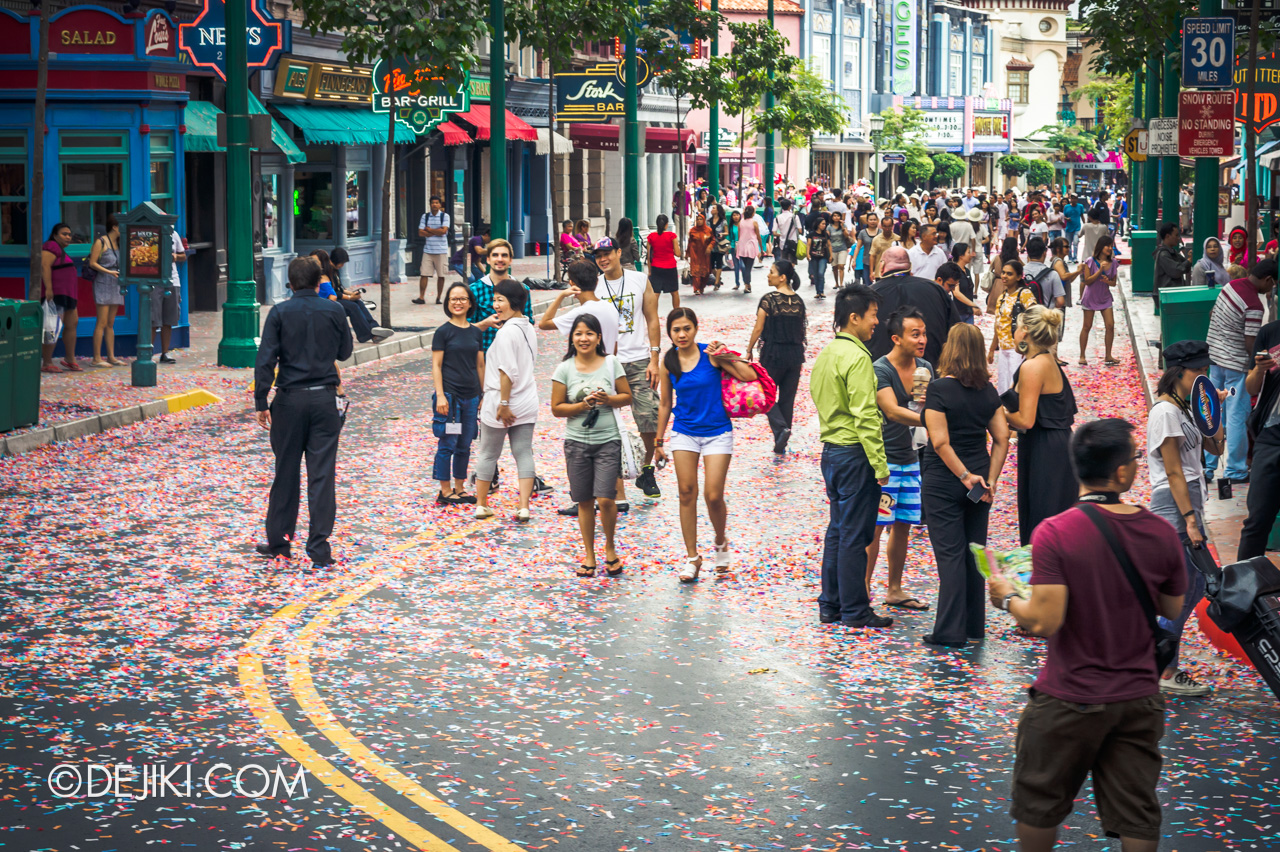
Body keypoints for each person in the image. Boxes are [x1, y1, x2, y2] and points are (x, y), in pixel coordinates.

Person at [987, 419, 1186, 852]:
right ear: (1120, 474)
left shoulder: (1055, 533)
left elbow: (1043, 620)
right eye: (1134, 457)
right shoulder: (1160, 532)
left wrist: (1005, 596)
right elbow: (1171, 610)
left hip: (1069, 696)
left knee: (1039, 800)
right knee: (1137, 810)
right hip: (1137, 696)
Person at [253, 257, 354, 566]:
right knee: (321, 475)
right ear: (316, 282)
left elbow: (266, 360)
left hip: (289, 400)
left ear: (291, 284)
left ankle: (280, 542)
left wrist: (261, 401)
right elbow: (345, 352)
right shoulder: (335, 310)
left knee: (285, 471)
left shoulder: (280, 312)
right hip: (324, 400)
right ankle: (320, 549)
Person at [809, 284, 895, 629]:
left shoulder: (828, 353)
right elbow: (865, 416)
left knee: (838, 532)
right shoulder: (858, 358)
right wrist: (880, 464)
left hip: (831, 453)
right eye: (873, 315)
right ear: (855, 317)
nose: (877, 322)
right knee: (856, 536)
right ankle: (856, 610)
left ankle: (830, 605)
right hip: (855, 455)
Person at [921, 324, 1011, 646]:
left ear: (950, 349)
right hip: (979, 484)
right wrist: (990, 478)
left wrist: (962, 475)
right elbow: (1002, 438)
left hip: (945, 480)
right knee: (974, 554)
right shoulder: (988, 392)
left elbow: (940, 442)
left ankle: (949, 631)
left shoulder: (939, 390)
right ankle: (974, 626)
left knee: (950, 555)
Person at [654, 308, 757, 581]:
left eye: (686, 328)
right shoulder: (669, 361)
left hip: (717, 432)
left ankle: (720, 541)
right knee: (686, 492)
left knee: (713, 495)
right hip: (684, 432)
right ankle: (692, 557)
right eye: (676, 330)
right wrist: (658, 440)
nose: (682, 334)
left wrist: (724, 353)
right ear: (670, 333)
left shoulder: (710, 354)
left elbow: (748, 376)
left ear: (696, 328)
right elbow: (665, 403)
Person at [1147, 342, 1225, 696]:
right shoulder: (1165, 412)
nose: (1204, 377)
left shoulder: (1186, 408)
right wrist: (1190, 520)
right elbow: (1175, 473)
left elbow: (1216, 449)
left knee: (1191, 587)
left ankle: (1160, 658)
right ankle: (1163, 668)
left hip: (1190, 500)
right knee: (1185, 587)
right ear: (1179, 373)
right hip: (1175, 504)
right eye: (1198, 372)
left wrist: (1214, 412)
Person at [551, 313, 633, 577]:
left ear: (599, 337)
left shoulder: (611, 363)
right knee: (584, 501)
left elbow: (626, 397)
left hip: (608, 441)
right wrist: (581, 405)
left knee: (606, 499)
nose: (583, 338)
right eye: (578, 333)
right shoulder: (564, 369)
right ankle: (589, 554)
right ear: (571, 338)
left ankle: (610, 548)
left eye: (589, 333)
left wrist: (608, 400)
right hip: (576, 443)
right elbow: (556, 408)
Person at [868, 307, 933, 611]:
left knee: (904, 525)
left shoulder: (924, 367)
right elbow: (892, 411)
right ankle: (864, 590)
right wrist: (932, 422)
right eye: (915, 333)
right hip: (885, 462)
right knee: (877, 527)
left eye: (923, 333)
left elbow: (921, 407)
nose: (922, 339)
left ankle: (894, 589)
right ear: (896, 338)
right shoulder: (881, 369)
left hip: (911, 460)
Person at [595, 237, 664, 500]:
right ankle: (603, 476)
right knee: (599, 420)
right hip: (606, 363)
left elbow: (652, 319)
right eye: (598, 255)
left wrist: (654, 359)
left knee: (649, 416)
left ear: (618, 252)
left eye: (607, 253)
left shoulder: (639, 279)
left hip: (638, 360)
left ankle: (647, 471)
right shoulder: (596, 286)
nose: (603, 259)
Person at [1003, 306, 1078, 546]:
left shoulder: (1033, 366)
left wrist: (998, 414)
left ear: (1024, 331)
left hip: (1046, 448)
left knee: (1043, 518)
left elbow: (1025, 419)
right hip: (1051, 444)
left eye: (1016, 328)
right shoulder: (1045, 360)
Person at [1204, 257, 1278, 483]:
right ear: (1268, 280)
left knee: (1212, 412)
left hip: (1215, 359)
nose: (1272, 289)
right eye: (1273, 285)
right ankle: (1235, 471)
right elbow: (1251, 343)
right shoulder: (1254, 305)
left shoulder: (1230, 286)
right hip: (1236, 367)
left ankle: (1208, 466)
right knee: (1236, 416)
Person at [473, 279, 539, 522]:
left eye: (500, 300)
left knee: (488, 453)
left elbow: (506, 371)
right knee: (523, 453)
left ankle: (481, 504)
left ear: (514, 302)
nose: (495, 305)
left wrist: (503, 403)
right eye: (495, 299)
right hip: (527, 398)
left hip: (501, 402)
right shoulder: (528, 327)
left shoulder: (505, 332)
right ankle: (523, 506)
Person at [431, 282, 485, 506]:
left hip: (471, 397)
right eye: (454, 299)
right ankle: (445, 491)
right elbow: (436, 365)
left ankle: (460, 488)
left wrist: (483, 394)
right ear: (447, 303)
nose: (458, 303)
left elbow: (480, 365)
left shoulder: (475, 332)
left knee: (465, 443)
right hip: (451, 400)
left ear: (470, 303)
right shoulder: (443, 332)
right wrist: (441, 396)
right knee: (449, 442)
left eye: (463, 299)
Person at [746, 260, 807, 454]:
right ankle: (782, 438)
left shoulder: (769, 299)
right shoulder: (798, 301)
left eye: (771, 272)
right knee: (787, 399)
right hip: (796, 355)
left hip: (773, 354)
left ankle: (781, 429)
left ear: (782, 277)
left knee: (765, 394)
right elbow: (802, 329)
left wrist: (749, 349)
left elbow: (759, 327)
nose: (768, 275)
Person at [868, 246, 957, 366]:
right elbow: (956, 331)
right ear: (910, 266)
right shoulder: (936, 290)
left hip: (879, 373)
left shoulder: (868, 295)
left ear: (882, 266)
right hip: (931, 371)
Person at [1239, 318, 1280, 559]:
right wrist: (1259, 369)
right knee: (1257, 521)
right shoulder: (1270, 333)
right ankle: (1243, 589)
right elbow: (1251, 388)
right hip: (1271, 439)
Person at [312, 249, 392, 344]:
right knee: (352, 307)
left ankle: (374, 326)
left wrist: (352, 295)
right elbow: (333, 294)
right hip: (328, 301)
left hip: (334, 299)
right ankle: (367, 334)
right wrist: (350, 297)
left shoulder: (334, 272)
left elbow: (339, 289)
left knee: (358, 302)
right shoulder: (325, 274)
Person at [468, 239, 534, 352]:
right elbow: (465, 329)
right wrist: (485, 323)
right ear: (488, 259)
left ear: (510, 260)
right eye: (495, 255)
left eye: (504, 255)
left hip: (514, 356)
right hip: (484, 359)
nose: (499, 259)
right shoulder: (474, 290)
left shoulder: (523, 289)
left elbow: (529, 325)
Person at [989, 260, 1037, 394]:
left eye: (1009, 274)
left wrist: (1026, 346)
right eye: (1003, 272)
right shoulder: (1002, 297)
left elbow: (1035, 318)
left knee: (1015, 385)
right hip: (1004, 348)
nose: (1004, 276)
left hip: (1017, 348)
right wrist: (993, 348)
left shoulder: (1024, 294)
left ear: (1018, 276)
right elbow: (998, 324)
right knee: (1003, 386)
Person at [38, 223, 81, 372]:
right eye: (64, 234)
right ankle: (47, 362)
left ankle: (70, 359)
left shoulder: (61, 250)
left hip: (68, 295)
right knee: (51, 327)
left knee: (72, 323)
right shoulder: (51, 246)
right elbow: (44, 266)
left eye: (69, 234)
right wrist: (49, 288)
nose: (68, 237)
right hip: (56, 294)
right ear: (55, 235)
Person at [87, 213, 125, 367]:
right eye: (122, 225)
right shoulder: (101, 242)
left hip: (116, 283)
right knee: (101, 322)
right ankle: (96, 358)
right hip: (103, 282)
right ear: (115, 227)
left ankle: (111, 356)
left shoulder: (121, 242)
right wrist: (109, 272)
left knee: (110, 323)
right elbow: (92, 263)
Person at [1078, 236, 1120, 366]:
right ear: (1100, 247)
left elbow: (1113, 282)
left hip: (1105, 297)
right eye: (1107, 245)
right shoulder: (1090, 261)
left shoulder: (1113, 263)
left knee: (1110, 325)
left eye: (1111, 245)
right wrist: (1100, 270)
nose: (1109, 248)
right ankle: (1082, 355)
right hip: (1090, 297)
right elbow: (1087, 281)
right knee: (1087, 326)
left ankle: (1108, 355)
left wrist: (1109, 281)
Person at [149, 228, 186, 364]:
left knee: (169, 320)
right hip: (153, 280)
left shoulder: (173, 234)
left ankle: (165, 353)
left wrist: (176, 257)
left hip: (172, 280)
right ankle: (148, 353)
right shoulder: (150, 235)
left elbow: (183, 255)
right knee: (153, 320)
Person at [416, 194, 451, 305]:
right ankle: (421, 297)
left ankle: (439, 298)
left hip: (441, 250)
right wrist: (437, 231)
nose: (434, 205)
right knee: (424, 274)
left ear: (440, 205)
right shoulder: (425, 217)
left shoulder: (445, 216)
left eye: (437, 203)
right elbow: (420, 233)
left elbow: (443, 231)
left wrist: (429, 230)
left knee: (441, 275)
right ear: (430, 204)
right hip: (428, 250)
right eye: (433, 203)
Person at [647, 214, 682, 311]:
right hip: (670, 267)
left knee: (655, 293)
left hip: (656, 268)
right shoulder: (672, 236)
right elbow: (678, 254)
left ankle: (654, 314)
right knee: (674, 292)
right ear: (667, 224)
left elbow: (649, 256)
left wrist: (649, 271)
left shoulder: (651, 237)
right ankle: (676, 312)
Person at [1152, 222, 1192, 308]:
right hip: (1168, 296)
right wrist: (1189, 260)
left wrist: (1188, 260)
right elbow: (1176, 271)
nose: (1178, 238)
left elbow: (1184, 264)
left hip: (1172, 294)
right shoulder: (1163, 254)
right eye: (1176, 235)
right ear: (1167, 236)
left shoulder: (1172, 252)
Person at [1023, 237, 1066, 311]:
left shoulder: (1019, 272)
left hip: (1025, 316)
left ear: (1028, 253)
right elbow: (1060, 301)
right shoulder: (1052, 274)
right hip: (1045, 315)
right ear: (1044, 253)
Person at [949, 243, 982, 324]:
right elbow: (956, 293)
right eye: (968, 252)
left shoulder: (966, 270)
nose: (971, 255)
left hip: (968, 312)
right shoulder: (954, 271)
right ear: (961, 256)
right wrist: (972, 305)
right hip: (959, 313)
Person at [735, 205, 765, 294]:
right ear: (752, 213)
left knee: (745, 266)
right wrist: (761, 248)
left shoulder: (741, 222)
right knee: (748, 267)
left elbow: (739, 235)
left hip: (742, 246)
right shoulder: (754, 222)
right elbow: (758, 236)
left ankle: (747, 285)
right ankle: (747, 285)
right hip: (751, 246)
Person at [686, 213, 715, 295]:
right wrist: (687, 253)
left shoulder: (708, 230)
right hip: (695, 253)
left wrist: (710, 246)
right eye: (697, 219)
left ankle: (701, 287)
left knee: (705, 272)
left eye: (700, 219)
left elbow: (713, 240)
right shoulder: (692, 230)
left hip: (705, 254)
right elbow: (689, 242)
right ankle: (696, 288)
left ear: (704, 220)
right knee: (695, 271)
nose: (699, 221)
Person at [853, 210, 882, 286]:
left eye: (874, 219)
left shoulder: (881, 232)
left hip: (879, 262)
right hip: (867, 262)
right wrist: (854, 260)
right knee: (867, 284)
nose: (873, 221)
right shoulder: (863, 232)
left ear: (877, 220)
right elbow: (858, 247)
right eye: (871, 220)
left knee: (880, 284)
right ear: (867, 221)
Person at [807, 217, 832, 299]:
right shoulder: (812, 234)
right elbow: (809, 244)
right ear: (818, 224)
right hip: (814, 257)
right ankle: (818, 292)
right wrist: (808, 254)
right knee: (816, 274)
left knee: (821, 273)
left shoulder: (825, 234)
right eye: (822, 224)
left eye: (825, 224)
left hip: (823, 256)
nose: (824, 225)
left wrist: (831, 255)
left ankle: (821, 291)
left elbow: (829, 245)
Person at [828, 210, 852, 288]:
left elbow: (846, 236)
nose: (836, 217)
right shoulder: (829, 227)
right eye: (834, 216)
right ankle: (836, 283)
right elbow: (828, 238)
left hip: (842, 248)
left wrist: (842, 227)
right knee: (834, 267)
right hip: (833, 249)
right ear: (832, 217)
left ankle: (841, 283)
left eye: (838, 216)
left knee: (841, 266)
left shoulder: (843, 225)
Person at [708, 204, 730, 290]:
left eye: (713, 208)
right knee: (711, 265)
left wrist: (722, 234)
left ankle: (716, 282)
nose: (712, 209)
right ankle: (718, 277)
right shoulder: (708, 221)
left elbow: (726, 232)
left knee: (719, 262)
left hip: (720, 245)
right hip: (710, 245)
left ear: (717, 211)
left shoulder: (723, 221)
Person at [1063, 193, 1085, 260]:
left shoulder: (1080, 206)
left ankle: (1075, 257)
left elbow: (1082, 216)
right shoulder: (1066, 207)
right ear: (1070, 199)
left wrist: (1085, 224)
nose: (1073, 199)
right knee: (1069, 244)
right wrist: (1067, 219)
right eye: (1072, 198)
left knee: (1075, 242)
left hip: (1077, 228)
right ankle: (1070, 257)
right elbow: (1064, 216)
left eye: (1075, 198)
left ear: (1077, 199)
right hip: (1069, 228)